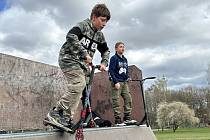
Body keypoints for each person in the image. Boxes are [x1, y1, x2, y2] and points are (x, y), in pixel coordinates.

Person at [46, 4, 111, 127]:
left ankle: (65, 118)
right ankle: (56, 112)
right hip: (69, 59)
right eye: (102, 20)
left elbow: (106, 51)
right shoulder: (83, 25)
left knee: (80, 89)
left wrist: (104, 63)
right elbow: (71, 36)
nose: (104, 24)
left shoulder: (99, 35)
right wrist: (84, 53)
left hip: (82, 66)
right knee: (79, 83)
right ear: (93, 17)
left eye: (106, 21)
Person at [108, 42, 137, 126]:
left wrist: (127, 77)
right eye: (120, 47)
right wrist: (115, 81)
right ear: (116, 49)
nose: (122, 48)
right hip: (116, 83)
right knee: (116, 101)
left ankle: (127, 118)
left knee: (128, 99)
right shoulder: (114, 58)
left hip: (124, 83)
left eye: (123, 47)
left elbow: (126, 71)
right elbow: (111, 71)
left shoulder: (125, 59)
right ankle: (118, 120)